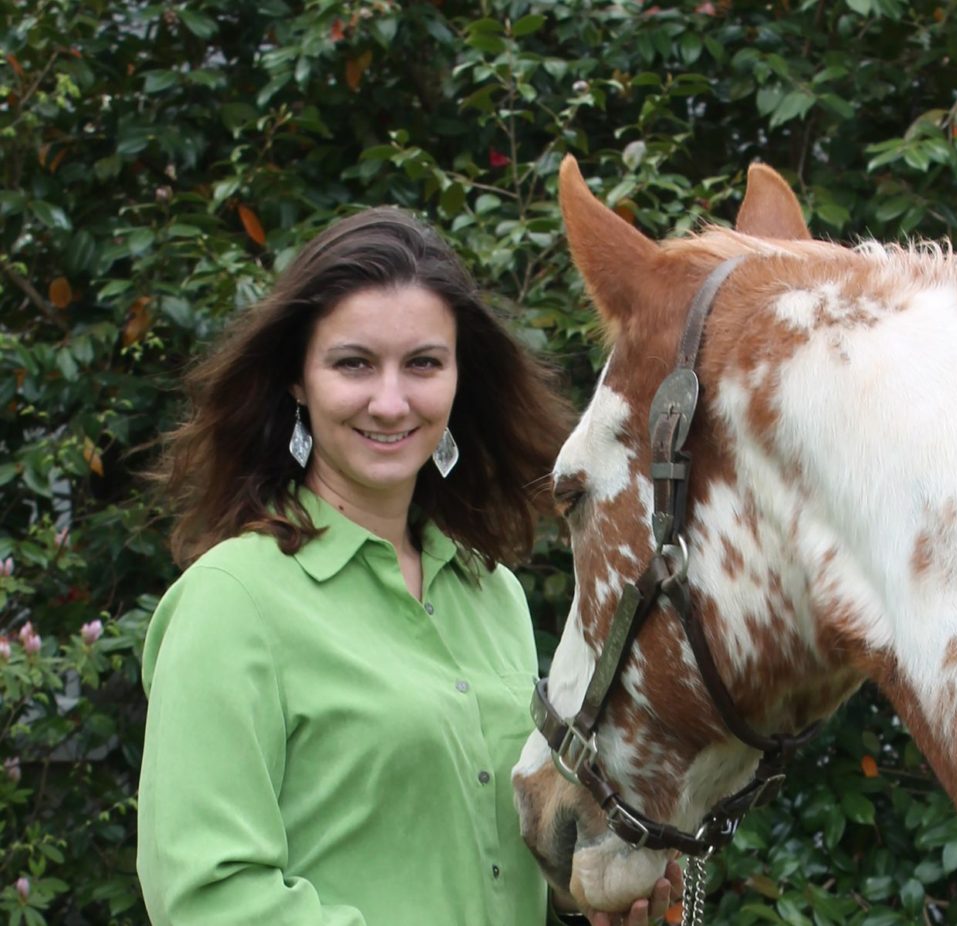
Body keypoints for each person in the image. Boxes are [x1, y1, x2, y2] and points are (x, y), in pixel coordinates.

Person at [136, 206, 680, 925]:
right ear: (298, 381)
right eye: (353, 363)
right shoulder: (231, 601)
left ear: (459, 379)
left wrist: (590, 896)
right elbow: (206, 894)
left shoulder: (495, 597)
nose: (390, 402)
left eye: (423, 363)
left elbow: (480, 856)